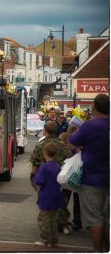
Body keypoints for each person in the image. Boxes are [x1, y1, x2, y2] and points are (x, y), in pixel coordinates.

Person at [69, 94, 110, 252]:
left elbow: (72, 142)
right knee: (107, 218)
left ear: (94, 107)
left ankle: (98, 250)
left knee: (95, 218)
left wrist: (80, 146)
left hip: (91, 178)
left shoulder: (89, 126)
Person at [34, 142, 64, 247]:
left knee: (44, 219)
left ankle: (46, 240)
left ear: (45, 153)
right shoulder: (57, 166)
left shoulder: (45, 167)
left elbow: (38, 181)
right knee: (53, 219)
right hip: (56, 196)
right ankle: (54, 239)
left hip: (46, 196)